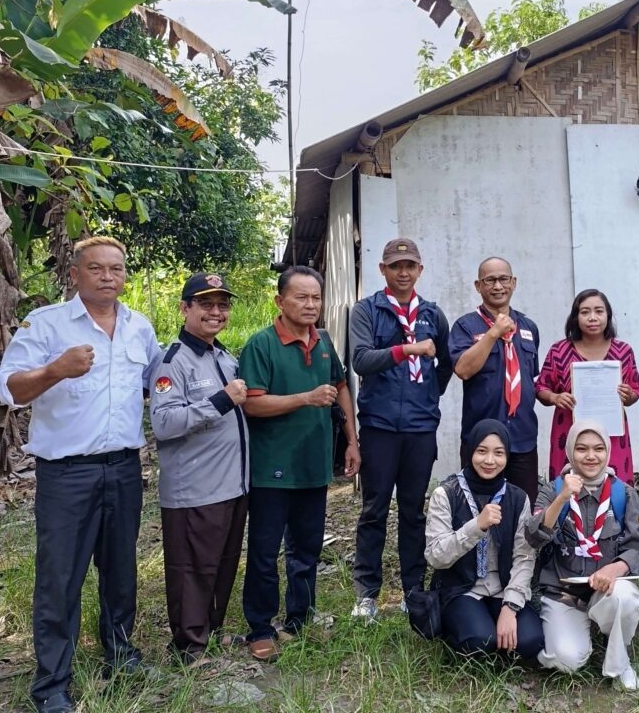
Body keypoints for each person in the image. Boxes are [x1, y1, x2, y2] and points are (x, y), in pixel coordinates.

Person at [0, 236, 161, 713]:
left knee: (121, 570)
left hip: (125, 469)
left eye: (116, 268)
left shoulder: (139, 327)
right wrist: (55, 370)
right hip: (67, 474)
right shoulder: (47, 324)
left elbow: (155, 384)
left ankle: (120, 655)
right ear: (75, 274)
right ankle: (51, 683)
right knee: (59, 578)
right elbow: (9, 388)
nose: (108, 276)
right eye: (96, 268)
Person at [238, 266, 360, 661]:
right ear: (280, 301)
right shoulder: (261, 345)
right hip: (272, 468)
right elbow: (252, 404)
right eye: (301, 297)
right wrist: (305, 398)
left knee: (306, 549)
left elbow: (340, 387)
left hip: (313, 464)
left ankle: (300, 620)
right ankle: (259, 626)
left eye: (316, 298)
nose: (310, 305)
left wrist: (352, 443)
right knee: (264, 550)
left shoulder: (324, 342)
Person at [349, 238, 453, 619]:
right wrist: (406, 350)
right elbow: (361, 360)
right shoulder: (366, 310)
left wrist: (428, 397)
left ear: (420, 270)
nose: (403, 272)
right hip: (379, 426)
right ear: (383, 270)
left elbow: (445, 365)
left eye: (410, 265)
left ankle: (413, 589)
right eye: (396, 266)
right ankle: (367, 593)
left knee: (413, 511)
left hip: (419, 429)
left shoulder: (432, 314)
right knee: (374, 509)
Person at [148, 272, 250, 666]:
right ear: (185, 308)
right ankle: (188, 647)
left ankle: (211, 631)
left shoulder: (223, 356)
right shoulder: (174, 360)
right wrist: (221, 401)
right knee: (192, 569)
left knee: (222, 565)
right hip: (194, 488)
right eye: (205, 304)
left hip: (230, 486)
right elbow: (165, 424)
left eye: (222, 304)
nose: (216, 311)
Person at [527, 420, 639, 690]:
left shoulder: (623, 493)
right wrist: (561, 499)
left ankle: (619, 662)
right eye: (582, 449)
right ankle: (574, 633)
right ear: (570, 451)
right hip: (563, 592)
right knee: (567, 660)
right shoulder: (553, 489)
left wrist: (615, 569)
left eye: (598, 448)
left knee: (627, 598)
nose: (591, 456)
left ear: (608, 451)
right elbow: (533, 537)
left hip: (605, 589)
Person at [424, 419, 544, 661]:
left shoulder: (517, 498)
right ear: (470, 451)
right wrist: (476, 526)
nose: (490, 461)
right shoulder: (446, 494)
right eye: (482, 451)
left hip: (502, 588)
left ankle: (496, 627)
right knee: (479, 640)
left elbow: (523, 556)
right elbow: (436, 556)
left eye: (499, 453)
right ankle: (464, 629)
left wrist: (510, 607)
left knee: (532, 641)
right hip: (462, 589)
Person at [449, 257, 541, 499]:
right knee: (477, 510)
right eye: (490, 280)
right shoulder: (465, 326)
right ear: (478, 286)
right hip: (481, 441)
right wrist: (494, 333)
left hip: (523, 437)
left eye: (504, 279)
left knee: (523, 508)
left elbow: (531, 380)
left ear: (514, 282)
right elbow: (463, 369)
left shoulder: (529, 327)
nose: (498, 286)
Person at [535, 290, 639, 483]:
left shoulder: (623, 351)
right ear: (575, 317)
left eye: (599, 311)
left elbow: (636, 390)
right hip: (568, 429)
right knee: (568, 485)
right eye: (585, 312)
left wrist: (628, 396)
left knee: (615, 487)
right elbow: (541, 387)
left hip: (612, 432)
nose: (592, 318)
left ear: (608, 316)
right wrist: (555, 398)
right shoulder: (559, 350)